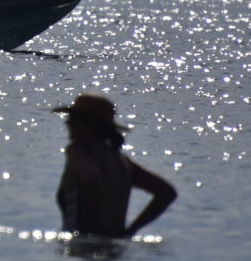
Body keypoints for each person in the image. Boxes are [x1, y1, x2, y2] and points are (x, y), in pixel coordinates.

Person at [53, 94, 177, 239]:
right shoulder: (121, 161)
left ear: (91, 124)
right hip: (115, 248)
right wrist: (131, 231)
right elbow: (167, 192)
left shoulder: (78, 151)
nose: (68, 123)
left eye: (73, 119)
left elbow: (90, 177)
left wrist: (85, 225)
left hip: (83, 245)